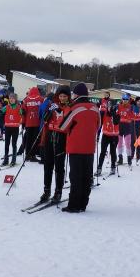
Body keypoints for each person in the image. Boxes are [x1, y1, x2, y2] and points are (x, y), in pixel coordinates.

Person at [58, 83, 100, 213]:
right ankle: (83, 203)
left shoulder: (74, 108)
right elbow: (98, 125)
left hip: (76, 147)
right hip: (90, 147)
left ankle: (74, 205)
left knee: (75, 177)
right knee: (86, 176)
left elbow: (63, 127)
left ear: (76, 94)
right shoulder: (95, 108)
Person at [40, 86, 71, 203]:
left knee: (59, 167)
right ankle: (46, 190)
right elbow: (44, 119)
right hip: (50, 136)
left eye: (64, 96)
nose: (62, 98)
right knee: (47, 165)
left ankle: (58, 191)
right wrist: (49, 111)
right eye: (60, 96)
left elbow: (68, 122)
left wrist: (61, 111)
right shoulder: (53, 105)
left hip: (61, 138)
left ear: (68, 97)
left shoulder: (69, 107)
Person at [97, 97, 120, 176]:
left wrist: (113, 113)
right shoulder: (104, 112)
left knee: (113, 152)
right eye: (108, 105)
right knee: (102, 152)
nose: (109, 107)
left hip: (114, 135)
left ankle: (113, 167)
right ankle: (99, 168)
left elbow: (116, 122)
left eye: (111, 105)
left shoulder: (117, 112)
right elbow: (100, 121)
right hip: (105, 135)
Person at [21, 87, 44, 163]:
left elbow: (23, 112)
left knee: (28, 140)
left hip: (28, 122)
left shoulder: (26, 100)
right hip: (37, 122)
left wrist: (23, 123)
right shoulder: (41, 99)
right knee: (35, 139)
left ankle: (27, 155)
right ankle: (33, 155)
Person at [1, 93, 23, 166]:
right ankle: (6, 159)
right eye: (10, 98)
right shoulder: (6, 107)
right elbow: (1, 111)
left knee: (14, 144)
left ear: (15, 99)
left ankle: (13, 160)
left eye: (13, 98)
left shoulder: (18, 107)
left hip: (15, 128)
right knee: (6, 144)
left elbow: (22, 113)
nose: (11, 100)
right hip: (7, 128)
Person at [116, 93, 133, 165]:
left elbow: (137, 111)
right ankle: (120, 158)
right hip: (120, 126)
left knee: (127, 143)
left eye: (126, 99)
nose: (125, 101)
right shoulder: (119, 106)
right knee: (119, 143)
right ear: (122, 100)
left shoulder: (131, 106)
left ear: (128, 100)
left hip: (127, 126)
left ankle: (129, 158)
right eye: (124, 99)